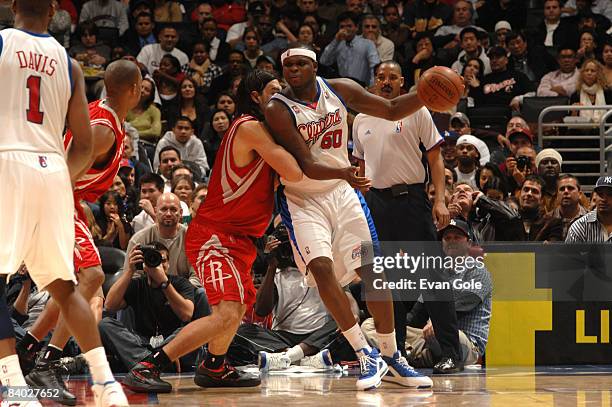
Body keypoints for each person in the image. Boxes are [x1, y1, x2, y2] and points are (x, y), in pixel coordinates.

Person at [121, 70, 308, 392]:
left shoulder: (265, 132)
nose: (282, 96)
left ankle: (214, 366)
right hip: (216, 234)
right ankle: (148, 365)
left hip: (239, 238)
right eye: (275, 91)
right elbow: (294, 170)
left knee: (235, 311)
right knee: (225, 311)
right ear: (255, 96)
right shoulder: (250, 127)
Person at [265, 45, 434, 390]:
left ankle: (391, 356)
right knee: (323, 269)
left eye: (301, 64)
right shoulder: (277, 108)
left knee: (372, 270)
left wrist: (426, 94)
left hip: (344, 195)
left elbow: (389, 109)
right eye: (289, 66)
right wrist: (345, 171)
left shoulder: (338, 89)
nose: (294, 70)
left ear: (314, 67)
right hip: (303, 199)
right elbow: (305, 163)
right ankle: (363, 352)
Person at [0, 1, 127, 405]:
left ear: (14, 3)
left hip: (7, 160)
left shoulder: (1, 43)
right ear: (55, 9)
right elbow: (85, 145)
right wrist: (55, 180)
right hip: (54, 169)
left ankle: (13, 386)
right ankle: (107, 385)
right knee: (64, 284)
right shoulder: (69, 64)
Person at [15, 60, 141, 404]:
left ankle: (30, 347)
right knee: (92, 276)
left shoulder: (100, 113)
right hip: (53, 197)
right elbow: (62, 173)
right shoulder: (104, 130)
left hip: (61, 199)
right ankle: (48, 361)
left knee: (70, 285)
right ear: (135, 89)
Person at [352, 61, 463, 374]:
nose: (386, 82)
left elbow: (435, 157)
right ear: (374, 82)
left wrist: (439, 199)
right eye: (380, 77)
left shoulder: (417, 110)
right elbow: (359, 167)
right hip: (375, 204)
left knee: (433, 280)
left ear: (402, 82)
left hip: (411, 200)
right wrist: (358, 203)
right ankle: (395, 355)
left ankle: (450, 352)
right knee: (386, 283)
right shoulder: (361, 118)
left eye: (392, 77)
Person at [101, 242, 194, 372]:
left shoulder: (181, 283)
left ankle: (145, 362)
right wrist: (129, 271)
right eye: (153, 259)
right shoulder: (137, 284)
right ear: (143, 264)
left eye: (163, 261)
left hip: (171, 343)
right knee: (105, 324)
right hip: (141, 342)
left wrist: (164, 283)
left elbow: (187, 314)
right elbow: (110, 306)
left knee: (190, 328)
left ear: (169, 264)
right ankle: (156, 361)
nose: (158, 265)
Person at [319, 12, 380, 86]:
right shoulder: (337, 44)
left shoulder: (368, 44)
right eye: (342, 27)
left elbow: (374, 67)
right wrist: (336, 40)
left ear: (356, 27)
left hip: (362, 86)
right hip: (343, 86)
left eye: (349, 26)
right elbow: (324, 61)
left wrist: (373, 86)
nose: (345, 29)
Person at [566, 175, 612, 243]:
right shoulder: (580, 227)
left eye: (610, 194)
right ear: (595, 197)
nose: (604, 199)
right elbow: (569, 253)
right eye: (600, 194)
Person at [550, 174, 588, 240]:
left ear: (580, 194)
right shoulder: (547, 220)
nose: (566, 191)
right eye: (562, 189)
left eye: (570, 188)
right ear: (557, 196)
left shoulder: (592, 219)